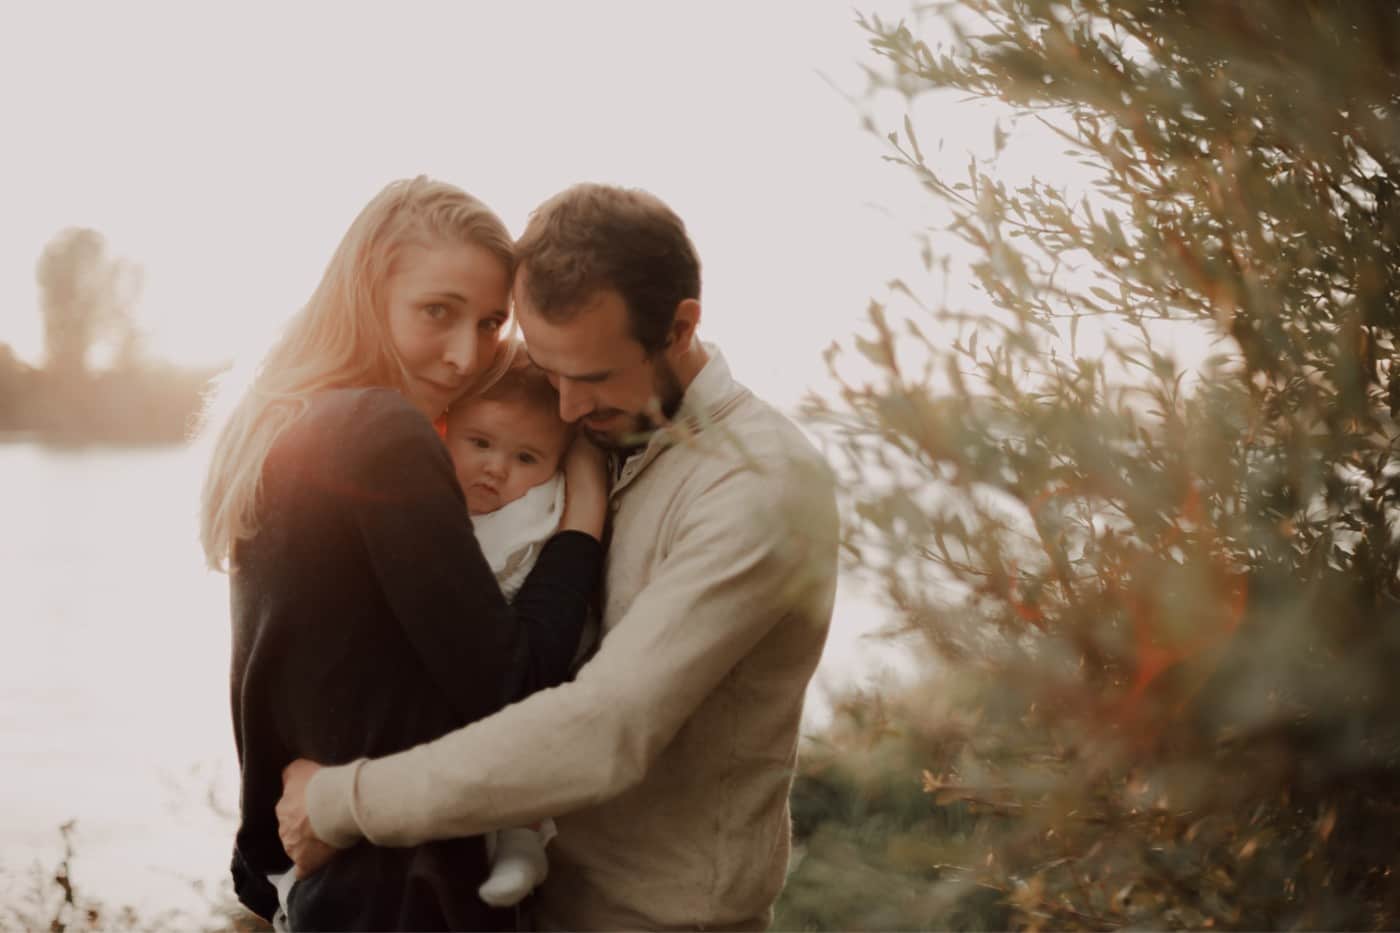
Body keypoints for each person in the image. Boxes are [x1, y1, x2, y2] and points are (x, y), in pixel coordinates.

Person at [277, 183, 840, 930]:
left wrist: (344, 801)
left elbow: (605, 730)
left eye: (595, 377)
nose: (569, 408)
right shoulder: (597, 439)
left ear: (680, 327)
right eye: (551, 371)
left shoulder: (756, 486)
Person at [198, 176, 608, 930]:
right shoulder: (381, 432)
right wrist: (583, 517)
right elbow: (517, 689)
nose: (464, 356)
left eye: (489, 323)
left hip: (335, 882)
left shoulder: (285, 421)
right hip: (404, 889)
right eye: (437, 313)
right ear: (367, 293)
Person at [441, 362, 579, 908]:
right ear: (447, 430)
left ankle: (523, 839)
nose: (496, 469)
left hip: (525, 665)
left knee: (524, 740)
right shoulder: (427, 500)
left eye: (527, 458)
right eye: (480, 443)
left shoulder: (539, 512)